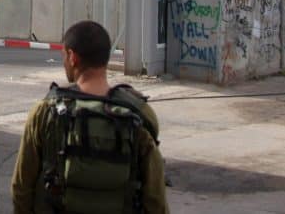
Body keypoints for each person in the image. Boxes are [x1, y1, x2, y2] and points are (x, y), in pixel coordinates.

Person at [10, 21, 168, 214]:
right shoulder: (139, 114)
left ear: (72, 56)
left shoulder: (44, 112)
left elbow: (21, 187)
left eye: (64, 56)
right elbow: (155, 197)